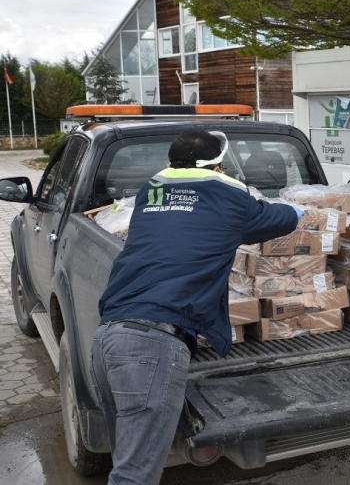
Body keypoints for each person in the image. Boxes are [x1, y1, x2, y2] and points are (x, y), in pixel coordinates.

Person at [91, 130, 302, 484]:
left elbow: (190, 225)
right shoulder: (228, 196)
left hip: (109, 337)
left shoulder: (150, 192)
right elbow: (279, 219)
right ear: (218, 166)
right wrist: (302, 208)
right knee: (134, 476)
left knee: (126, 462)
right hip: (152, 348)